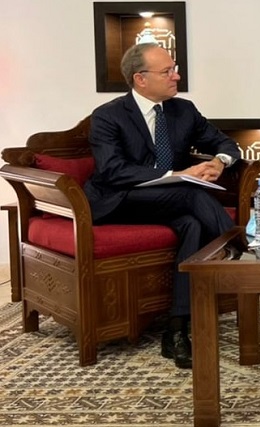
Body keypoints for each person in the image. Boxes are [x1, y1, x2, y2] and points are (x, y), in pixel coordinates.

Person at [84, 43, 241, 369]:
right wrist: (177, 175)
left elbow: (225, 143)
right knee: (191, 194)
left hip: (167, 200)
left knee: (192, 224)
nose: (176, 76)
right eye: (167, 71)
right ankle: (242, 250)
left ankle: (177, 330)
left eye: (175, 69)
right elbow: (112, 170)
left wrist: (220, 162)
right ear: (140, 79)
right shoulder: (108, 116)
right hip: (120, 200)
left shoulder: (183, 110)